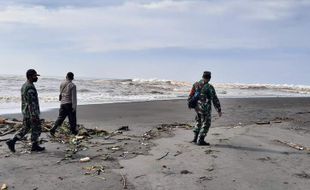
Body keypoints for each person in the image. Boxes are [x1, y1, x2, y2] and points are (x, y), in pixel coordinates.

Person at [6, 69, 45, 152]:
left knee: (25, 128)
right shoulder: (30, 87)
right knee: (37, 128)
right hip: (31, 112)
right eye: (35, 76)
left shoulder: (24, 85)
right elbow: (31, 103)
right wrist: (34, 115)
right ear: (30, 76)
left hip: (26, 112)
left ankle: (12, 141)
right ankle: (34, 145)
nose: (36, 78)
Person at [188, 71, 222, 145]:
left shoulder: (196, 84)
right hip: (205, 108)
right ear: (209, 78)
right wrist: (218, 110)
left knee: (198, 121)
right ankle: (201, 140)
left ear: (202, 76)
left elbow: (191, 94)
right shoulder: (209, 87)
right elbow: (215, 99)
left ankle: (195, 139)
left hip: (197, 107)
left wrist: (189, 104)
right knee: (206, 123)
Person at [50, 72, 78, 136]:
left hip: (62, 103)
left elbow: (61, 93)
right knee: (72, 119)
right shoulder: (72, 85)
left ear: (66, 77)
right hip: (69, 104)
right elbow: (74, 97)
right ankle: (73, 131)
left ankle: (54, 128)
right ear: (72, 78)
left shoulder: (62, 83)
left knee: (60, 118)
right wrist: (74, 107)